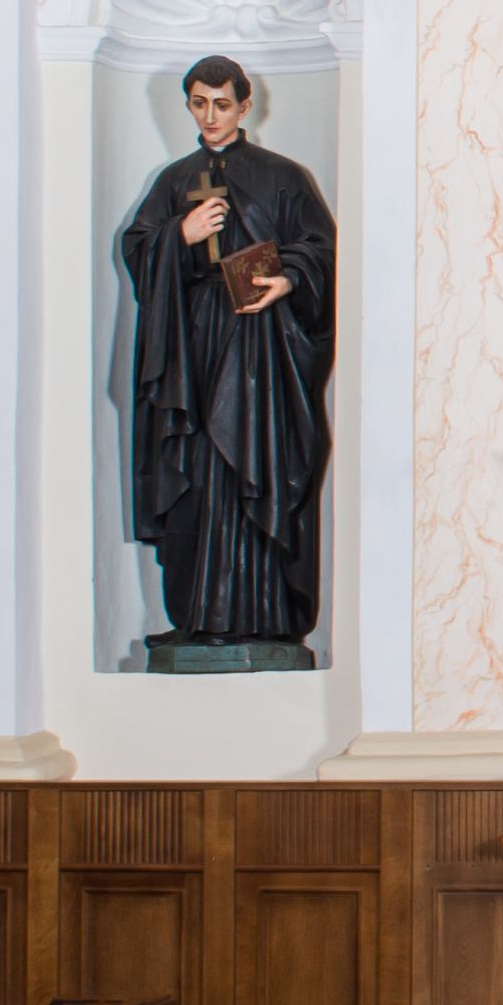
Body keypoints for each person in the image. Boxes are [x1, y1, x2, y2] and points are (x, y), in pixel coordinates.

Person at [116, 54, 336, 658]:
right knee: (197, 466)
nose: (209, 116)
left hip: (264, 351)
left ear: (245, 106)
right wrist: (179, 237)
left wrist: (289, 279)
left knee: (257, 463)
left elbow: (321, 251)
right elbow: (138, 253)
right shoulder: (173, 181)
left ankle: (264, 616)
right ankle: (196, 615)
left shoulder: (282, 176)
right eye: (198, 103)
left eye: (221, 104)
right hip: (193, 350)